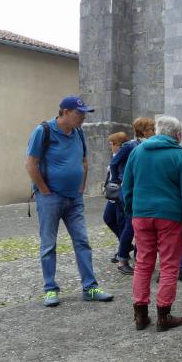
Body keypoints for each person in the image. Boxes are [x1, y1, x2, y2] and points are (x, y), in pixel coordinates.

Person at [25, 95, 113, 307]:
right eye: (79, 113)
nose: (83, 117)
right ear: (65, 112)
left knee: (82, 241)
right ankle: (50, 289)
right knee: (48, 245)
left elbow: (83, 160)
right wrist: (45, 191)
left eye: (84, 113)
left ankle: (90, 287)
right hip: (51, 198)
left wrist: (81, 186)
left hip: (74, 198)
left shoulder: (78, 132)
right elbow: (31, 164)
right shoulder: (43, 131)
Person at [122, 115, 182, 331]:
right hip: (169, 217)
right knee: (169, 265)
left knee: (143, 263)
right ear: (178, 135)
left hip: (142, 215)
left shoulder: (137, 151)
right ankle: (164, 316)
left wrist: (131, 212)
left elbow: (127, 186)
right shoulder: (179, 155)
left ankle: (140, 315)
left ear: (156, 132)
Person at [114, 117, 155, 275]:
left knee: (142, 227)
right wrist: (118, 181)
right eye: (151, 129)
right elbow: (114, 163)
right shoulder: (129, 146)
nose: (154, 131)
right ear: (143, 131)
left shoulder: (148, 145)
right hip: (129, 190)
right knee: (131, 226)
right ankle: (122, 259)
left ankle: (140, 259)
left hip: (142, 190)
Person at [103, 131, 131, 273]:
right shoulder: (116, 155)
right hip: (113, 193)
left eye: (112, 144)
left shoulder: (124, 154)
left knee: (121, 222)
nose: (111, 147)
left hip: (118, 192)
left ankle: (123, 250)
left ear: (118, 144)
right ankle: (125, 246)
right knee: (109, 218)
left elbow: (117, 172)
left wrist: (115, 182)